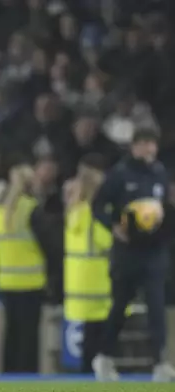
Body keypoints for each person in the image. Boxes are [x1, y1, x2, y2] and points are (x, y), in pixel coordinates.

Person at [91, 129, 175, 382]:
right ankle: (104, 357)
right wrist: (113, 227)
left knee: (156, 308)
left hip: (154, 253)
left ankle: (160, 363)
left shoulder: (160, 172)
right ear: (135, 146)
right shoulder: (119, 174)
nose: (151, 150)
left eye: (154, 145)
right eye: (146, 144)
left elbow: (164, 210)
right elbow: (98, 205)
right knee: (119, 307)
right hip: (127, 253)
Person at [0, 164, 61, 374]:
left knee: (10, 335)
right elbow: (52, 246)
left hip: (6, 282)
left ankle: (6, 378)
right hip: (30, 283)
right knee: (28, 339)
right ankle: (26, 379)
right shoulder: (31, 210)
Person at [63, 154, 113, 373]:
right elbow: (109, 241)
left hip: (77, 288)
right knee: (98, 346)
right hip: (98, 288)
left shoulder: (73, 212)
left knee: (87, 346)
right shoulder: (96, 215)